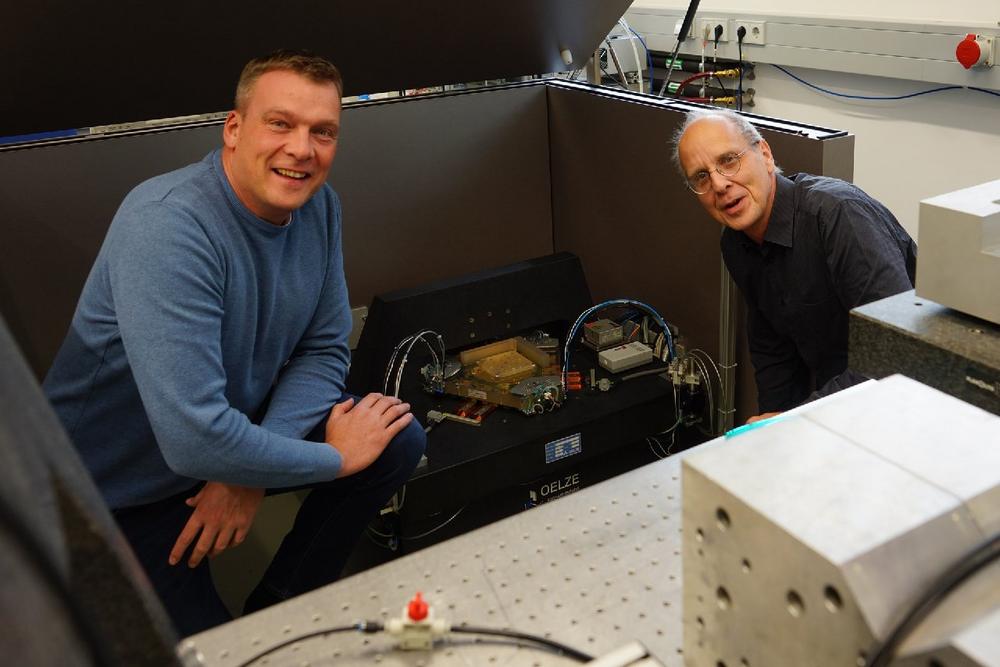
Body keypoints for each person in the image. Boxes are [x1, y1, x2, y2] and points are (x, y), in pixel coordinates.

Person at [43, 50, 426, 636]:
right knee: (212, 651)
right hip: (113, 496)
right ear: (233, 128)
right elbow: (193, 438)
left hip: (216, 448)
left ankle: (283, 609)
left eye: (322, 132)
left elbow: (323, 349)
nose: (302, 149)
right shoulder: (167, 226)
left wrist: (248, 472)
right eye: (280, 124)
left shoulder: (319, 207)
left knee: (395, 437)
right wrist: (333, 460)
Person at [672, 109, 916, 423]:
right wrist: (773, 429)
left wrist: (796, 420)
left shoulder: (839, 215)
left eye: (729, 160)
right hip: (839, 404)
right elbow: (773, 352)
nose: (719, 184)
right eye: (701, 177)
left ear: (765, 154)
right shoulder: (735, 244)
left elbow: (896, 353)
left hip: (911, 401)